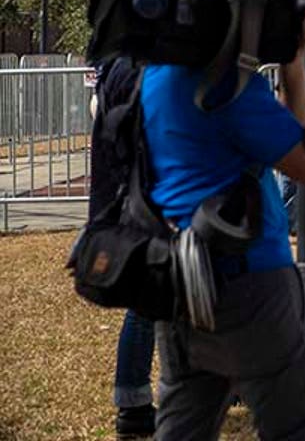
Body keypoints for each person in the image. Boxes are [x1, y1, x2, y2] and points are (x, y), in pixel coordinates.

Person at [137, 0, 305, 438]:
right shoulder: (221, 84)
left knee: (183, 425)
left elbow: (288, 137)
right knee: (301, 414)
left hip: (181, 275)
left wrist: (294, 66)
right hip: (251, 282)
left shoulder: (162, 69)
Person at [87, 55, 155, 438]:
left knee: (155, 301)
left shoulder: (119, 63)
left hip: (133, 199)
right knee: (149, 303)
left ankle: (133, 401)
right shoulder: (138, 68)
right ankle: (132, 402)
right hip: (150, 200)